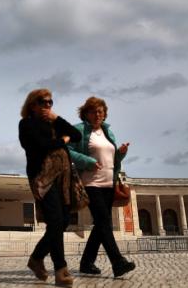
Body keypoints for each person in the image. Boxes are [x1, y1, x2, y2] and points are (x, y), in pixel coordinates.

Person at [19, 88, 81, 286]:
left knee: (62, 222)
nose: (47, 105)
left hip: (62, 178)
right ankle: (61, 270)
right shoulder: (26, 124)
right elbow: (38, 146)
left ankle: (36, 258)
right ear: (32, 105)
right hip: (42, 177)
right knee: (55, 221)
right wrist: (61, 141)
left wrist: (57, 118)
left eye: (50, 102)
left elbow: (76, 135)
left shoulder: (54, 123)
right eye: (43, 102)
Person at [68, 96, 136, 278]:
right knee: (104, 222)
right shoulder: (79, 130)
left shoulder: (108, 132)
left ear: (104, 113)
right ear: (86, 114)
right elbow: (67, 149)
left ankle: (86, 263)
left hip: (108, 183)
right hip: (91, 183)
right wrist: (87, 161)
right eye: (93, 111)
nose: (97, 114)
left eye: (100, 111)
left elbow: (111, 159)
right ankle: (118, 262)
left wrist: (120, 154)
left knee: (101, 225)